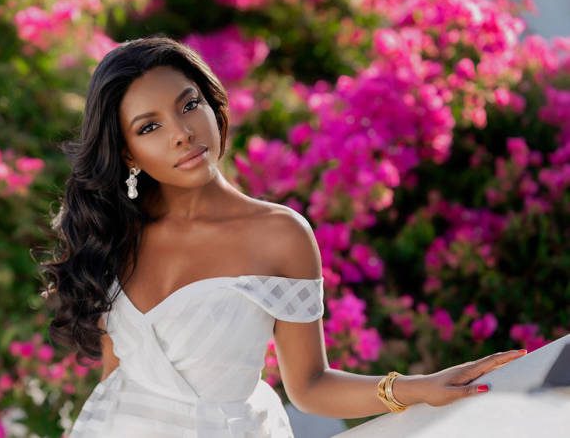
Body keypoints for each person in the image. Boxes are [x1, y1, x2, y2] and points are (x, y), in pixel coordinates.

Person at [40, 36, 526, 437]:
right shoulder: (113, 234)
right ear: (127, 155)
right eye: (150, 127)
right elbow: (116, 376)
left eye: (189, 105)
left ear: (212, 104)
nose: (182, 134)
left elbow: (309, 383)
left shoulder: (279, 235)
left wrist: (415, 388)